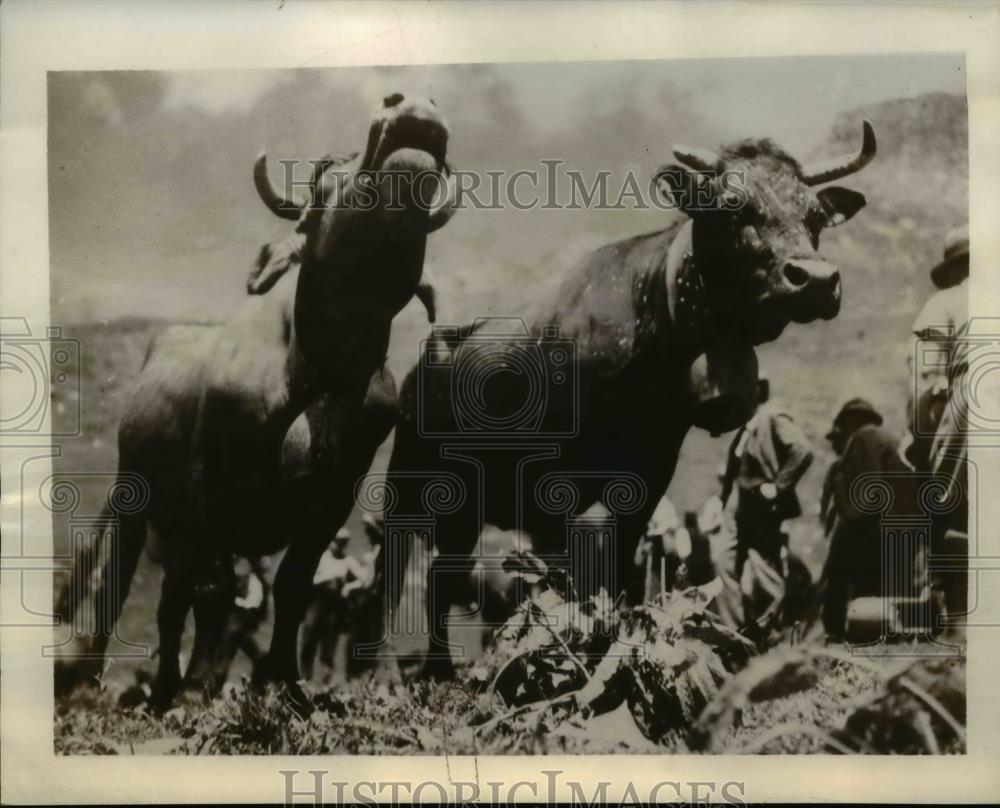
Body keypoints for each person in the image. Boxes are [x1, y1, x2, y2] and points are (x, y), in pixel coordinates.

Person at [716, 375, 813, 636]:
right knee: (722, 562)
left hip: (761, 508)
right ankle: (736, 634)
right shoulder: (747, 426)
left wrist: (779, 486)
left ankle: (771, 631)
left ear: (757, 390)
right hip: (740, 507)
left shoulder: (771, 416)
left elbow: (802, 450)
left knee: (765, 574)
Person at [819, 399, 915, 639]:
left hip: (880, 531)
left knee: (857, 586)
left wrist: (851, 524)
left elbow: (870, 492)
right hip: (898, 530)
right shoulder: (881, 437)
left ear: (852, 420)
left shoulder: (864, 437)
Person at [299, 528, 365, 682]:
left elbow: (364, 578)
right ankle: (304, 677)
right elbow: (308, 580)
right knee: (309, 639)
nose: (339, 545)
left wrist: (350, 587)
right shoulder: (320, 558)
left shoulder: (347, 561)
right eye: (336, 541)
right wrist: (328, 577)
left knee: (329, 643)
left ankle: (325, 680)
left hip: (335, 605)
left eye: (343, 543)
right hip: (317, 602)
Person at [213, 555, 270, 689]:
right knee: (223, 660)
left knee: (260, 657)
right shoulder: (242, 579)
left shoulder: (261, 584)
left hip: (245, 627)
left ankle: (257, 689)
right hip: (235, 626)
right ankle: (212, 692)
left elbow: (257, 608)